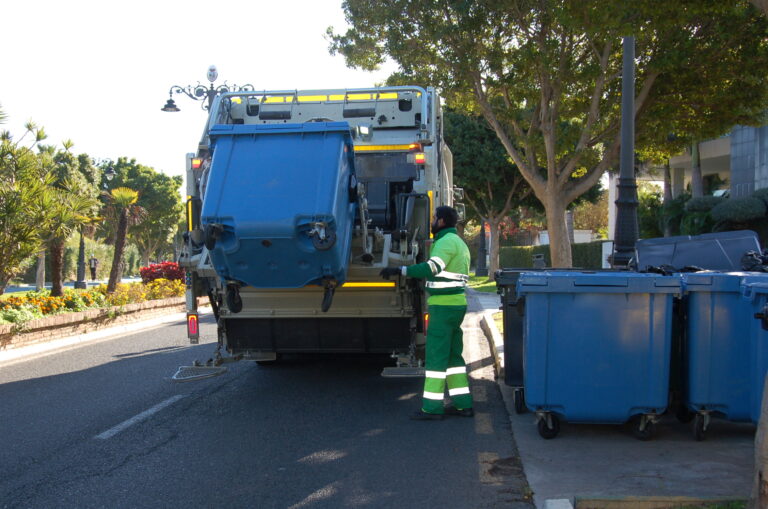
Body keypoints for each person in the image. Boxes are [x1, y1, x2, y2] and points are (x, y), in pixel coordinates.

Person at [380, 205, 473, 420]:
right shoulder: (459, 242)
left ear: (441, 221)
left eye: (433, 218)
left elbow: (432, 268)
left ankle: (432, 408)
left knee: (436, 359)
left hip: (443, 307)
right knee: (452, 357)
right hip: (456, 305)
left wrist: (400, 270)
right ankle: (463, 404)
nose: (431, 222)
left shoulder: (445, 242)